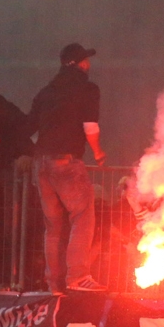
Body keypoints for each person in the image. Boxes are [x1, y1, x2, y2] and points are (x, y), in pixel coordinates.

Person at [27, 43, 107, 292]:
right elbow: (90, 126)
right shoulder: (87, 88)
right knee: (82, 217)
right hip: (66, 161)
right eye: (86, 60)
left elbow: (29, 125)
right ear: (81, 63)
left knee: (53, 227)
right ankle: (78, 277)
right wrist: (98, 152)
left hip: (41, 163)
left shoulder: (46, 91)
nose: (89, 65)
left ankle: (54, 284)